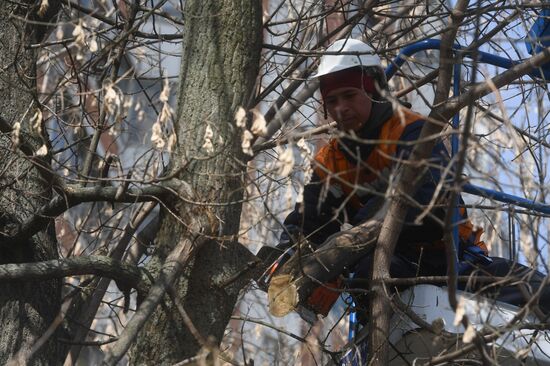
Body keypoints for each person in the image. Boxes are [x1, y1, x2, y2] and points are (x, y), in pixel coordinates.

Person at [260, 38, 550, 320]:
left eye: (349, 96)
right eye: (332, 101)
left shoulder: (411, 132)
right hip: (384, 263)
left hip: (445, 257)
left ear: (373, 90)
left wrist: (347, 240)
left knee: (540, 293)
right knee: (364, 274)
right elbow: (309, 218)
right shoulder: (331, 159)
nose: (340, 109)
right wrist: (287, 254)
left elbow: (426, 205)